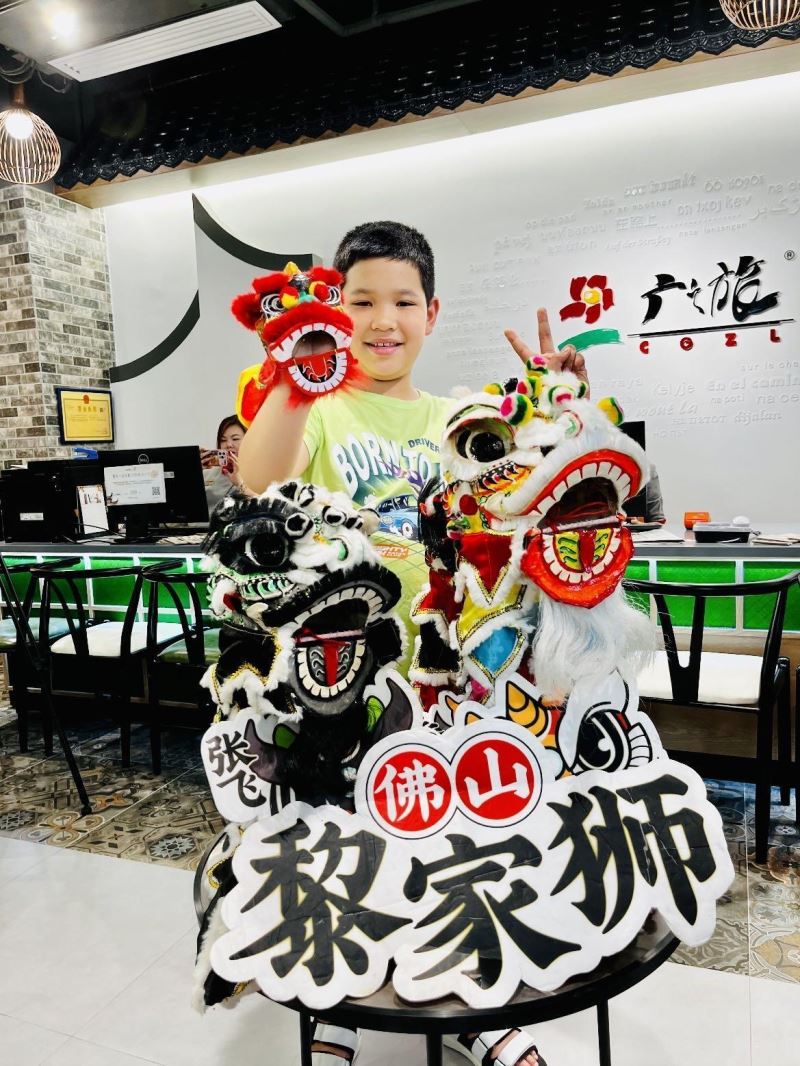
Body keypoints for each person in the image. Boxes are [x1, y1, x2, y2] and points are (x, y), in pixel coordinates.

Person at [237, 221, 587, 1066]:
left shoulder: (458, 418)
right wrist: (293, 370)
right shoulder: (317, 408)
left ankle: (470, 1005)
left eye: (403, 302)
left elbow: (534, 486)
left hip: (447, 676)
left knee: (455, 846)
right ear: (336, 308)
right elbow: (258, 478)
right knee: (346, 848)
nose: (382, 320)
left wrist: (561, 407)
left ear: (432, 314)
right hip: (345, 683)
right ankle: (340, 1010)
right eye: (360, 301)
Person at [201, 415, 245, 511]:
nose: (228, 445)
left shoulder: (260, 474)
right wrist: (193, 473)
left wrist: (240, 484)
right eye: (223, 440)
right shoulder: (207, 473)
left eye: (235, 439)